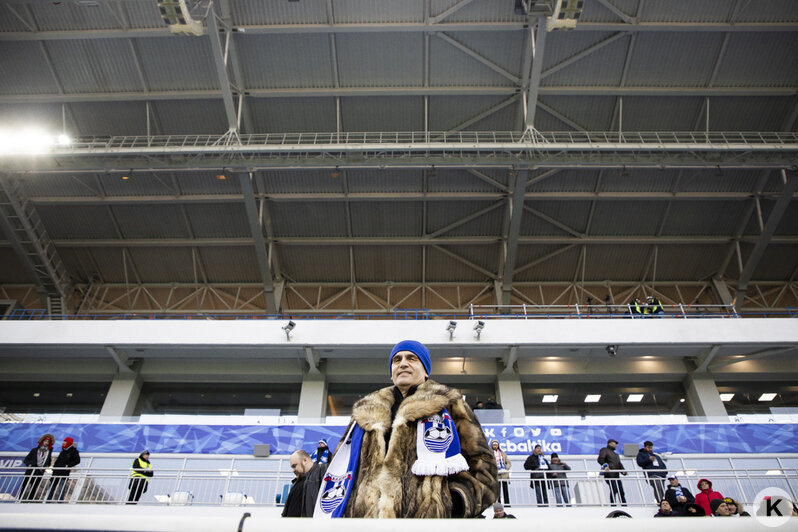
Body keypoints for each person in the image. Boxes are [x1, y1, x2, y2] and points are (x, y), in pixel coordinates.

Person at [312, 340, 497, 518]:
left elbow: (483, 466)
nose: (403, 364)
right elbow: (341, 467)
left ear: (425, 371)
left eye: (411, 358)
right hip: (366, 522)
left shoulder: (449, 405)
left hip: (426, 523)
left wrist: (453, 502)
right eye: (397, 360)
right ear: (391, 372)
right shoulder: (364, 413)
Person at [282, 450, 327, 517]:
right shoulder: (296, 482)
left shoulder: (321, 471)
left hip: (307, 525)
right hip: (290, 525)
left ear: (305, 461)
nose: (293, 470)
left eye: (294, 466)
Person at [20, 433, 54, 502]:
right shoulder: (34, 450)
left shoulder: (48, 452)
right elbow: (26, 459)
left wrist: (45, 466)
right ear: (42, 441)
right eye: (45, 441)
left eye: (48, 442)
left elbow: (48, 461)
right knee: (25, 485)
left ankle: (30, 500)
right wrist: (29, 465)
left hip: (39, 471)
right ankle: (20, 498)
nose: (46, 443)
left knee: (34, 486)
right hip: (31, 470)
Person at [46, 437, 80, 502]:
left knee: (61, 487)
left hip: (64, 472)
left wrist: (68, 465)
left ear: (69, 442)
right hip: (56, 472)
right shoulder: (63, 451)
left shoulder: (73, 451)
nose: (64, 443)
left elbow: (77, 460)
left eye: (65, 441)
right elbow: (58, 460)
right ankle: (48, 500)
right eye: (64, 441)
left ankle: (60, 501)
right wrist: (54, 467)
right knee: (52, 486)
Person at [597, 439, 627, 505]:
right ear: (610, 443)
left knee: (621, 491)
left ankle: (624, 505)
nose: (616, 445)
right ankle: (613, 504)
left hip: (616, 475)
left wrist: (623, 471)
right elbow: (600, 459)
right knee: (614, 489)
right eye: (615, 443)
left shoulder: (616, 455)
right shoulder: (604, 450)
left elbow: (619, 464)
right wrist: (605, 466)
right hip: (609, 474)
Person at [490, 439, 511, 506]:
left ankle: (507, 504)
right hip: (496, 474)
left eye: (496, 445)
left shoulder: (502, 453)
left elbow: (508, 462)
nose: (495, 446)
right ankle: (498, 504)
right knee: (497, 491)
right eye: (494, 445)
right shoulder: (490, 454)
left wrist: (506, 467)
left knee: (505, 490)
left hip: (504, 473)